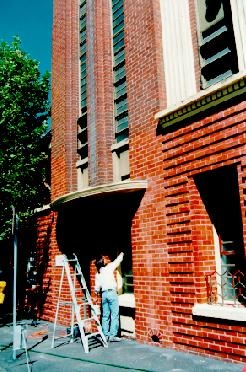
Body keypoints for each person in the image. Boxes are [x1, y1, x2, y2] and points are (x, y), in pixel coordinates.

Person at [95, 252, 124, 342]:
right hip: (111, 293)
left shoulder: (98, 274)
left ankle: (105, 335)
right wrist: (122, 253)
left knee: (105, 315)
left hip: (104, 294)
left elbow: (97, 288)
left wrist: (96, 294)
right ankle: (112, 335)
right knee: (114, 314)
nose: (106, 259)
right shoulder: (109, 267)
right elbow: (117, 261)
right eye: (104, 259)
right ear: (103, 262)